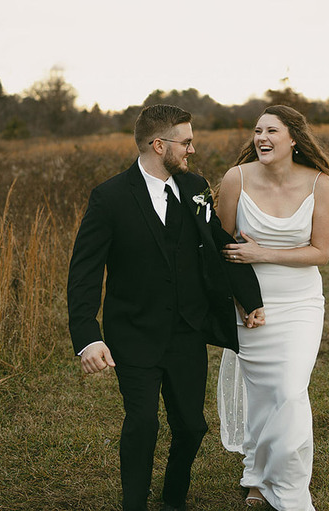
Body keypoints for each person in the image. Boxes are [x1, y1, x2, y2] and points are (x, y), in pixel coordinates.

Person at [67, 104, 265, 511]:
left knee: (191, 427)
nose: (192, 150)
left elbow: (217, 242)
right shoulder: (110, 197)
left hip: (187, 331)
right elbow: (84, 272)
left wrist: (250, 298)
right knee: (143, 424)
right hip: (134, 332)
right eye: (186, 142)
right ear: (159, 145)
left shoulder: (194, 187)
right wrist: (87, 337)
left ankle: (173, 500)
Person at [216, 105, 329, 510]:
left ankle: (288, 490)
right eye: (257, 131)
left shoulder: (320, 184)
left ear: (294, 139)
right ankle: (256, 475)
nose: (261, 138)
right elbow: (218, 248)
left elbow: (321, 252)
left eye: (271, 130)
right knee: (262, 396)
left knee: (289, 391)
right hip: (252, 307)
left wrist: (260, 252)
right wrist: (244, 302)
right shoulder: (236, 179)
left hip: (301, 303)